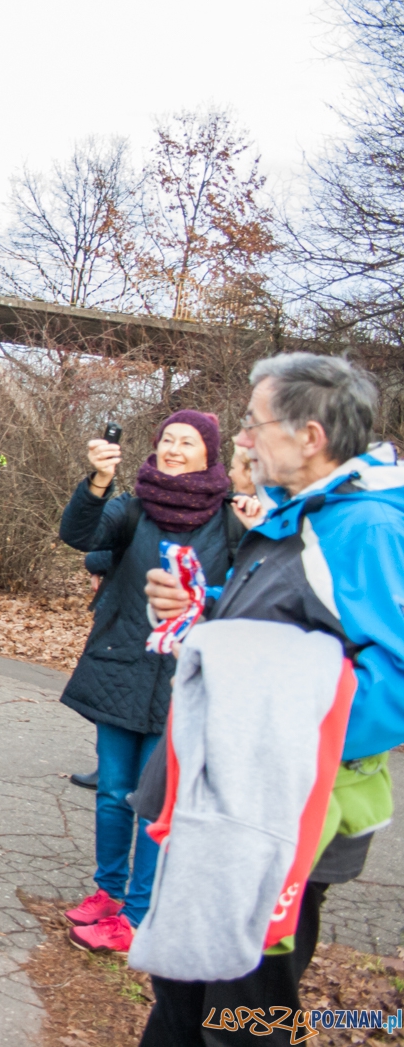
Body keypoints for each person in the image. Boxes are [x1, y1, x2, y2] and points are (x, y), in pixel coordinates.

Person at [139, 354, 404, 1047]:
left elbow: (390, 685)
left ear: (309, 436)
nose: (246, 440)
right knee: (180, 992)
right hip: (227, 807)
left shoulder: (367, 529)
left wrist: (270, 744)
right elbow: (286, 642)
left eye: (255, 425)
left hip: (279, 823)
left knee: (241, 1021)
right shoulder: (303, 516)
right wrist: (201, 616)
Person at [55, 411, 244, 954]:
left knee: (157, 803)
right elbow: (77, 535)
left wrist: (201, 602)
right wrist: (96, 482)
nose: (175, 449)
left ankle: (139, 914)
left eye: (187, 442)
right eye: (167, 440)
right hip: (121, 663)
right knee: (114, 792)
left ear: (210, 454)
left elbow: (244, 596)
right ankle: (108, 893)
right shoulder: (131, 508)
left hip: (186, 676)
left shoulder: (231, 521)